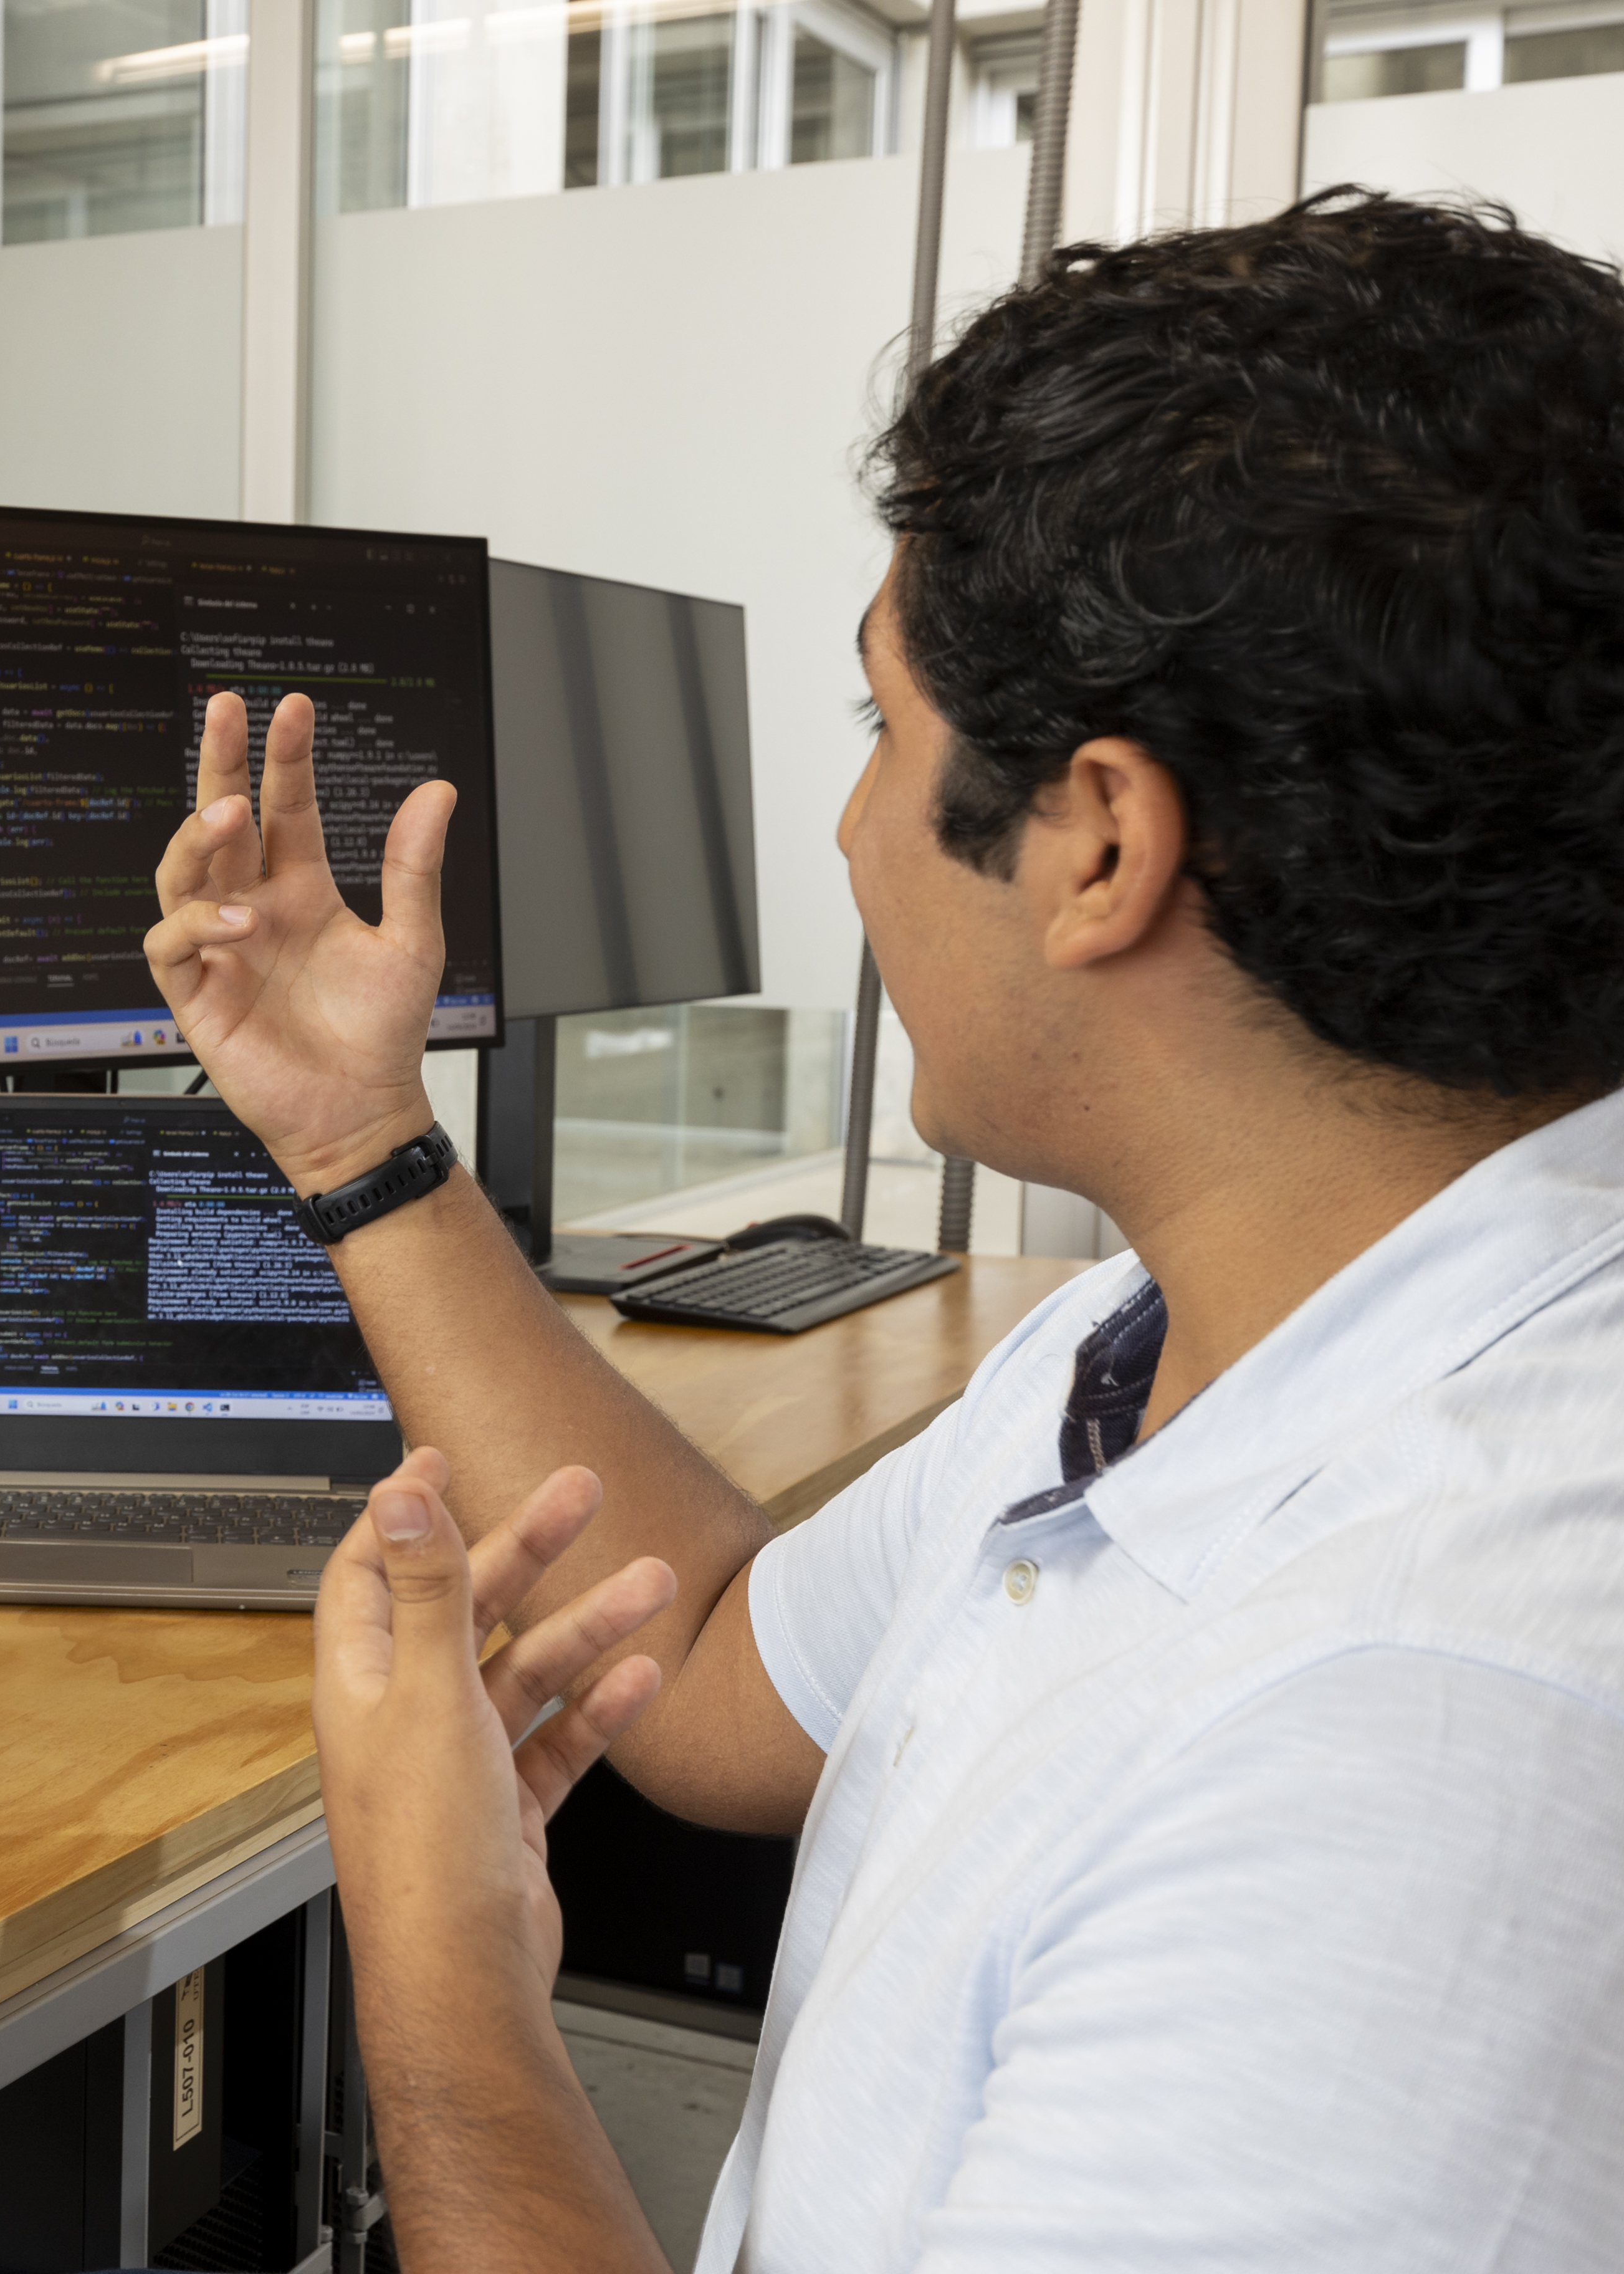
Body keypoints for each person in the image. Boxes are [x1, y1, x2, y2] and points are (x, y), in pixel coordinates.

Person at [146, 191, 1624, 2269]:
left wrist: (439, 1961)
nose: (849, 827)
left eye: (881, 732)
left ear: (1100, 839)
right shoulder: (1182, 1342)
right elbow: (721, 1664)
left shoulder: (1417, 1749)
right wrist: (366, 1137)